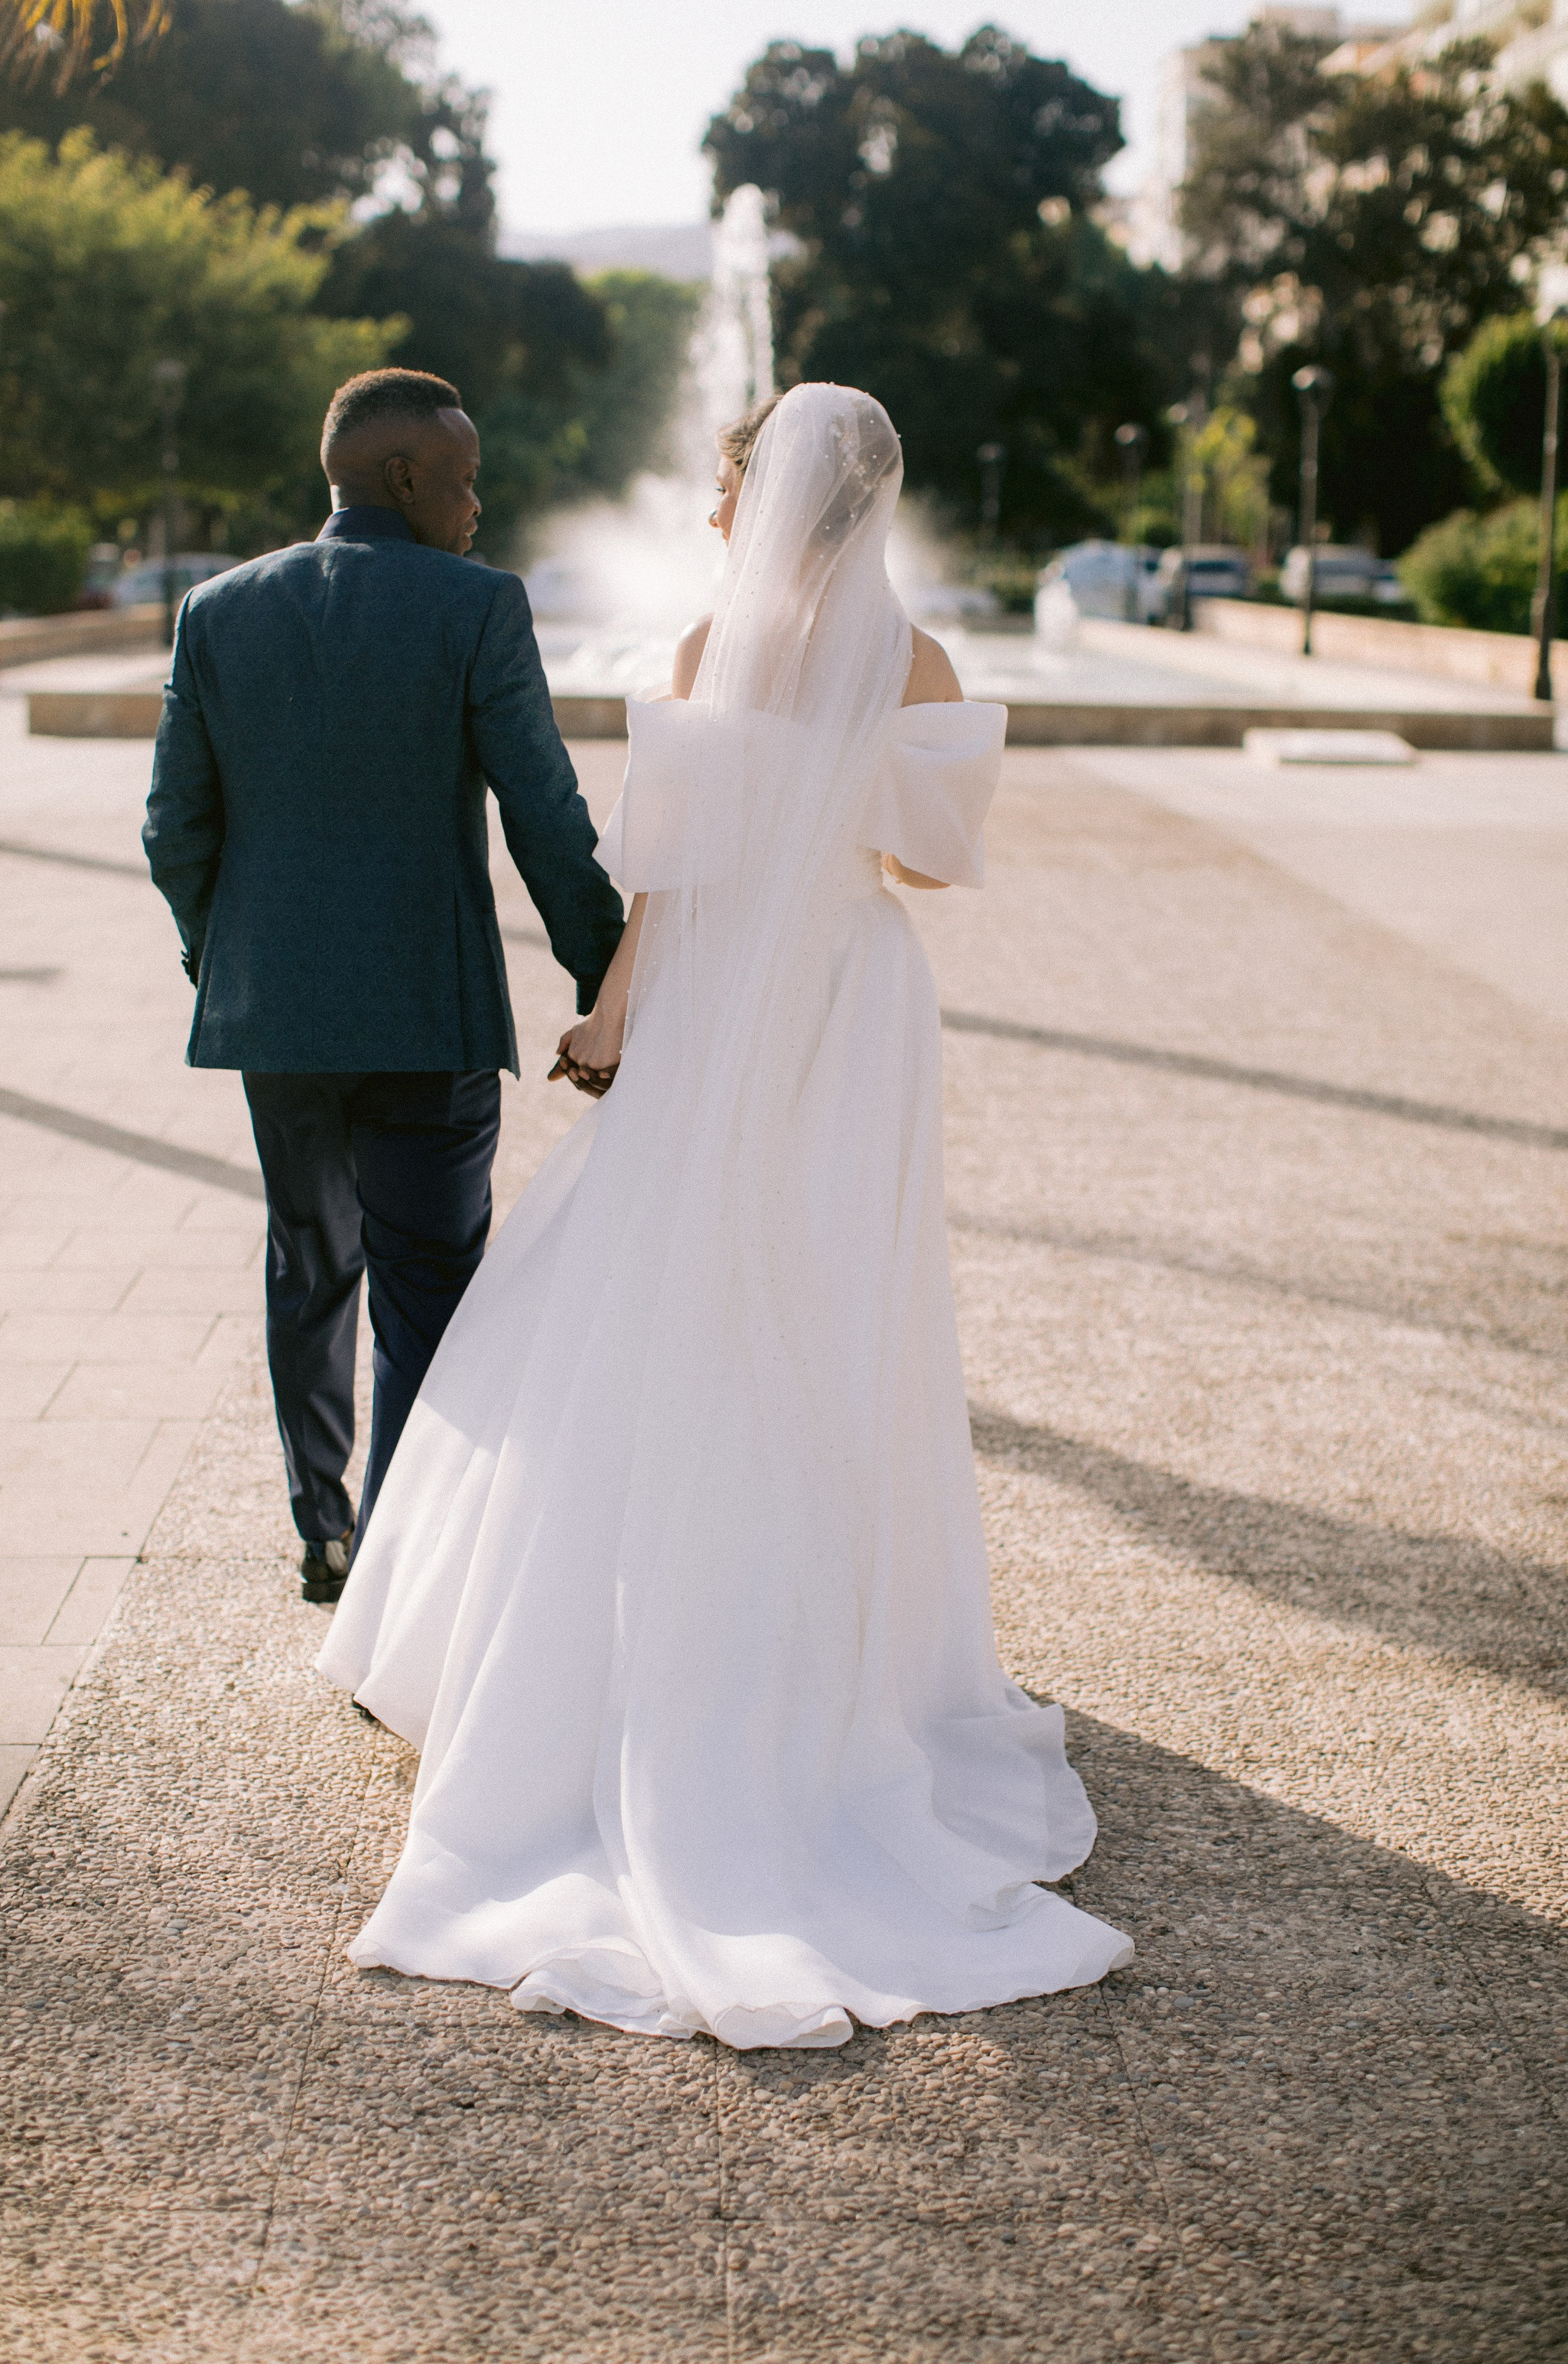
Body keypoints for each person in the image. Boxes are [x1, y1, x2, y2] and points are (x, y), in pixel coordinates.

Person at [320, 382, 1131, 2048]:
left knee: (658, 1291)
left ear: (788, 506)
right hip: (850, 1004)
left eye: (732, 485)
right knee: (834, 1304)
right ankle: (825, 1649)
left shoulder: (705, 655)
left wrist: (615, 1018)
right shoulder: (918, 665)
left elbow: (667, 883)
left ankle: (621, 1653)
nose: (711, 513)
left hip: (718, 1005)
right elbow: (928, 871)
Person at [143, 368, 625, 1605]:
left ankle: (326, 1529)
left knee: (308, 1267)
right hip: (427, 1016)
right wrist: (610, 982)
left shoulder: (215, 611)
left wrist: (233, 960)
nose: (477, 502)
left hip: (279, 1021)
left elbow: (171, 832)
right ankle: (407, 1574)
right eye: (462, 479)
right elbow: (545, 816)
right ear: (404, 475)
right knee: (429, 1291)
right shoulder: (473, 605)